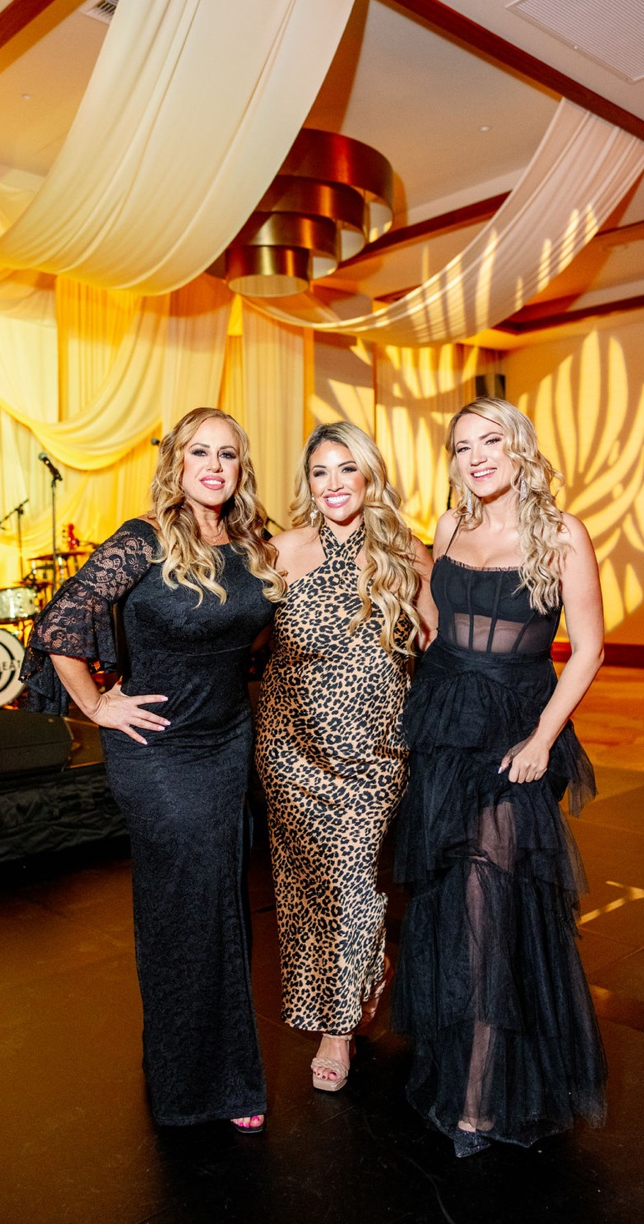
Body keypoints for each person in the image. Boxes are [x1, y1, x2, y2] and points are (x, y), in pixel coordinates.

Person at [22, 407, 282, 1133]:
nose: (213, 466)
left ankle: (208, 1063)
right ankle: (195, 1082)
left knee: (219, 901)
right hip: (157, 746)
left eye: (227, 454)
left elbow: (255, 631)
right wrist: (98, 703)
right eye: (199, 452)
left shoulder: (250, 544)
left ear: (240, 467)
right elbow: (60, 627)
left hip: (226, 740)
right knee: (184, 903)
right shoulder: (143, 540)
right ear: (176, 461)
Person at [393, 396, 605, 1155]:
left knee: (492, 904)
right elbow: (430, 623)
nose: (475, 456)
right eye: (460, 447)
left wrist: (545, 738)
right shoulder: (449, 528)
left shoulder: (562, 534)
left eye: (489, 441)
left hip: (516, 728)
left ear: (519, 447)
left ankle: (483, 1095)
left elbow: (587, 648)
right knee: (450, 902)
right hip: (444, 724)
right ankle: (462, 1069)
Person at [255, 422, 432, 1092]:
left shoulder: (405, 555)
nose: (333, 484)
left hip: (374, 752)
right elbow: (228, 635)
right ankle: (353, 979)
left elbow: (444, 644)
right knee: (308, 887)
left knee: (353, 882)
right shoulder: (278, 551)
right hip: (291, 748)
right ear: (308, 482)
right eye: (320, 471)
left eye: (346, 469)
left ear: (369, 477)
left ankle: (338, 1029)